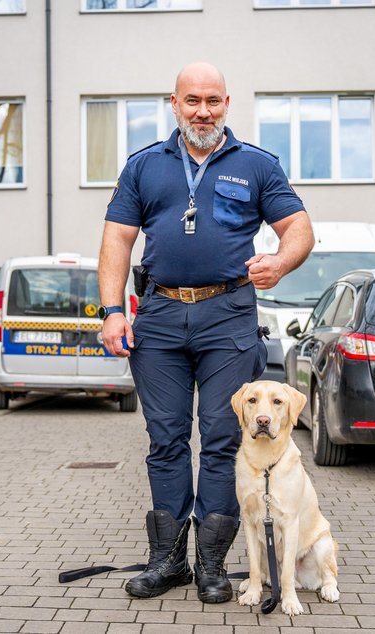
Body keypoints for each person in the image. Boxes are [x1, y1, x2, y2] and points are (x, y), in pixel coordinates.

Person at [97, 62, 314, 604]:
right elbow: (117, 239)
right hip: (162, 317)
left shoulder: (258, 166)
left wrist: (281, 264)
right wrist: (109, 310)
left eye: (212, 100)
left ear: (227, 103)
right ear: (174, 103)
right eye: (192, 100)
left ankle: (211, 565)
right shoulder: (143, 167)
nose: (203, 110)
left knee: (222, 440)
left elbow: (300, 230)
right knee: (166, 439)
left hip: (228, 320)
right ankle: (166, 560)